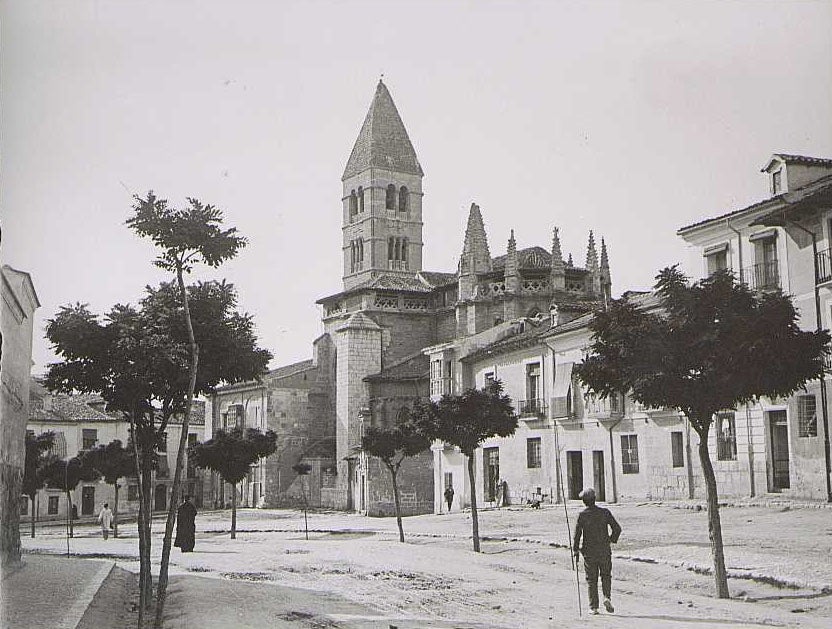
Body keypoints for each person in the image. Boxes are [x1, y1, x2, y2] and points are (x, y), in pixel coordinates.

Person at [572, 487, 621, 615]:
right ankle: (607, 597)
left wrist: (575, 550)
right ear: (594, 499)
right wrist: (611, 540)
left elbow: (577, 535)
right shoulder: (605, 512)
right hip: (604, 549)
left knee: (591, 579)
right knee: (606, 575)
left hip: (589, 552)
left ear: (584, 502)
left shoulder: (582, 515)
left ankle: (594, 607)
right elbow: (617, 529)